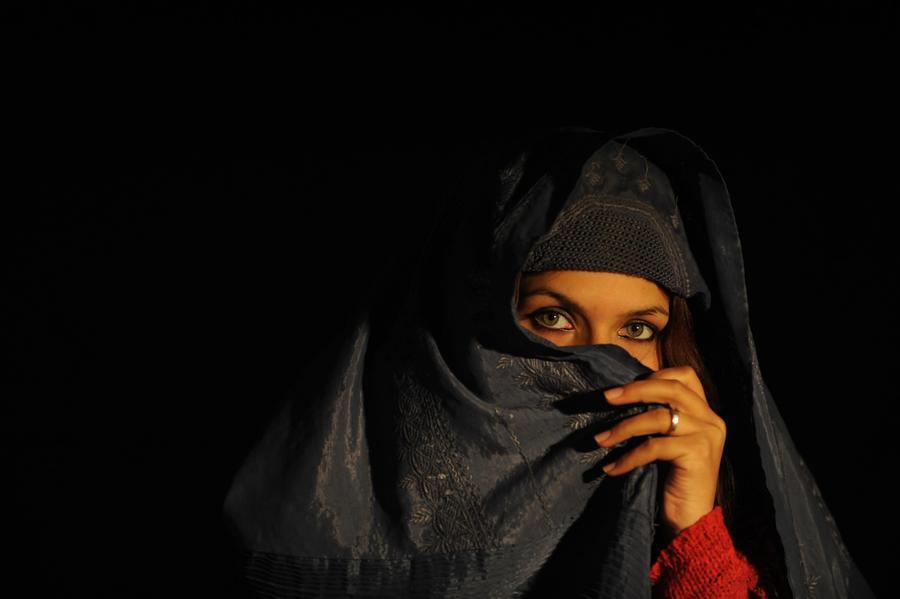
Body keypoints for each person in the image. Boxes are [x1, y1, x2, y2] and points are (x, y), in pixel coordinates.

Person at [221, 126, 875, 598]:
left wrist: (694, 535)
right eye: (552, 318)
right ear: (464, 329)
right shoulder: (326, 538)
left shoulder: (712, 524)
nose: (598, 361)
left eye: (638, 327)